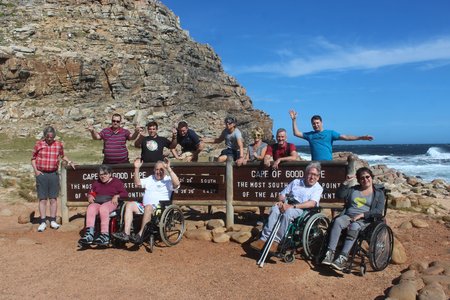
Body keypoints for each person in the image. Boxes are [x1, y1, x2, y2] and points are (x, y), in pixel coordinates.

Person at [321, 167, 385, 271]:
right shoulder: (353, 189)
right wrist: (346, 182)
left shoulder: (378, 193)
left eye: (367, 177)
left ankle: (343, 257)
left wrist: (363, 215)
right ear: (359, 180)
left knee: (354, 226)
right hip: (348, 216)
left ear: (371, 177)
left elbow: (378, 211)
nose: (365, 180)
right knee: (337, 221)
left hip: (366, 220)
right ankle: (330, 254)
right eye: (362, 178)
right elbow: (339, 195)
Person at [250, 162, 323, 253]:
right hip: (287, 204)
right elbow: (282, 194)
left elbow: (312, 203)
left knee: (288, 213)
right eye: (310, 174)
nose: (312, 177)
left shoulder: (318, 188)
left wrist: (292, 206)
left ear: (318, 177)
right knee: (274, 209)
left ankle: (276, 242)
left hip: (302, 209)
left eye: (315, 175)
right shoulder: (296, 182)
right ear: (306, 173)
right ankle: (263, 239)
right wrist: (281, 202)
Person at [112, 157, 180, 244]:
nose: (158, 172)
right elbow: (137, 184)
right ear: (154, 170)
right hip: (145, 206)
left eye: (161, 169)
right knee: (129, 204)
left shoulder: (168, 180)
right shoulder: (150, 178)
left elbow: (177, 183)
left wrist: (169, 169)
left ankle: (140, 235)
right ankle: (126, 233)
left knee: (148, 207)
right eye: (157, 169)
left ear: (165, 170)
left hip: (160, 208)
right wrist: (136, 168)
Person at [31, 126, 75, 232]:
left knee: (53, 199)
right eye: (48, 136)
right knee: (42, 199)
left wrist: (69, 162)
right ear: (45, 135)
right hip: (42, 174)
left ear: (54, 136)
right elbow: (33, 158)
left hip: (53, 174)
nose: (50, 139)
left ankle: (53, 220)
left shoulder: (58, 145)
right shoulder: (39, 144)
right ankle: (42, 221)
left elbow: (62, 156)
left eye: (51, 136)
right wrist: (36, 171)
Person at [289, 110, 374, 161]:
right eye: (314, 123)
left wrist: (361, 137)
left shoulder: (330, 133)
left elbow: (346, 137)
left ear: (321, 123)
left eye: (317, 123)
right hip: (315, 165)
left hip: (329, 163)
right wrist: (294, 120)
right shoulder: (310, 135)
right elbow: (296, 133)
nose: (316, 125)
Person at [77, 165, 128, 246]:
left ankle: (105, 235)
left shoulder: (116, 182)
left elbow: (125, 193)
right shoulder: (96, 183)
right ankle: (89, 235)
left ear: (110, 174)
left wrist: (117, 196)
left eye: (105, 174)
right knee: (91, 207)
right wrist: (90, 196)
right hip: (99, 201)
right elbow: (92, 192)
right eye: (101, 174)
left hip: (111, 202)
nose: (103, 176)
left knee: (103, 208)